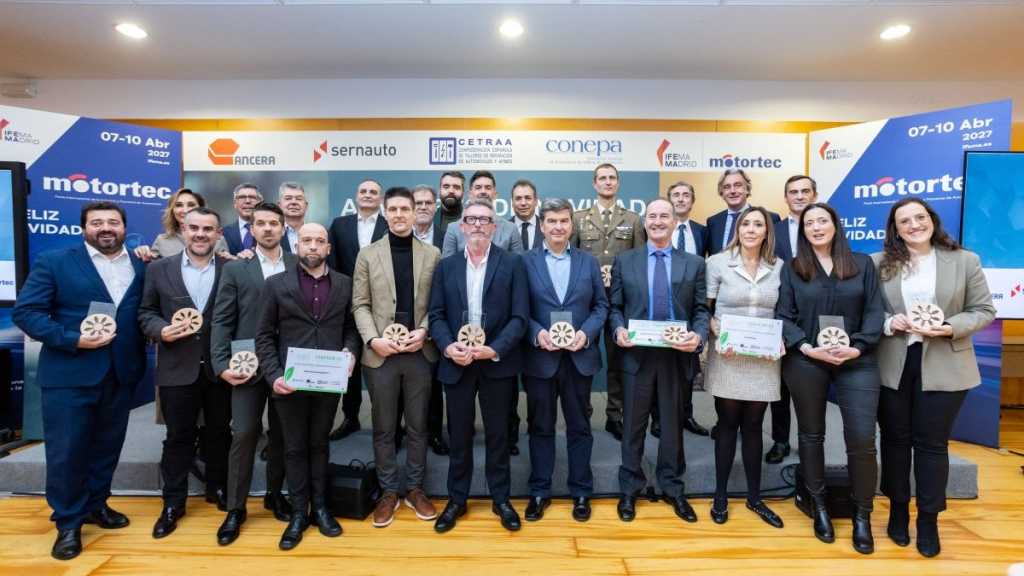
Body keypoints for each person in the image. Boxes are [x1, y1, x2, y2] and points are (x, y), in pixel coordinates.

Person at [12, 201, 147, 561]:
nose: (106, 228)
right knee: (67, 452)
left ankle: (96, 504)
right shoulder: (55, 261)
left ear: (124, 227)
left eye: (113, 222)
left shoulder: (140, 264)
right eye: (97, 222)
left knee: (106, 447)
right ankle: (68, 523)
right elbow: (26, 312)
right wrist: (73, 339)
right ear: (83, 228)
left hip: (120, 371)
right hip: (69, 373)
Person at [872, 198, 995, 558]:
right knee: (894, 440)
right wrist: (888, 321)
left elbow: (983, 309)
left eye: (920, 217)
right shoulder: (878, 263)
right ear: (895, 229)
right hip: (893, 362)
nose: (914, 225)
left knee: (931, 444)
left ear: (932, 220)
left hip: (945, 362)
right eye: (904, 221)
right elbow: (867, 310)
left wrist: (949, 326)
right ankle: (897, 512)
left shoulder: (964, 260)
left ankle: (928, 520)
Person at [775, 202, 884, 554]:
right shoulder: (794, 268)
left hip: (857, 360)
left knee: (862, 439)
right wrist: (807, 348)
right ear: (803, 230)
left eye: (823, 221)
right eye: (809, 223)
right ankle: (819, 505)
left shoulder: (862, 263)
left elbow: (875, 312)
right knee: (810, 435)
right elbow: (784, 315)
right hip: (807, 359)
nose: (816, 227)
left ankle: (862, 514)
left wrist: (857, 347)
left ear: (836, 225)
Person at [255, 223, 361, 550]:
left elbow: (351, 329)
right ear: (297, 246)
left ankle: (322, 509)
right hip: (289, 383)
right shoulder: (276, 284)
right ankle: (299, 513)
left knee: (319, 443)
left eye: (319, 241)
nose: (313, 246)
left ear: (328, 248)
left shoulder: (344, 284)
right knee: (294, 447)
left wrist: (351, 352)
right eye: (307, 240)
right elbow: (264, 336)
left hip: (328, 380)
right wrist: (274, 375)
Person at [428, 198, 528, 533]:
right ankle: (457, 499)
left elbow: (520, 317)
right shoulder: (446, 266)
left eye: (485, 220)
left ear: (494, 227)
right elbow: (436, 315)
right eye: (471, 219)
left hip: (496, 363)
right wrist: (447, 346)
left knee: (499, 435)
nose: (477, 225)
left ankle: (501, 499)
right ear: (462, 226)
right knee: (459, 435)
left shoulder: (512, 264)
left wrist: (495, 349)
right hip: (457, 363)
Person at [609, 198, 710, 523]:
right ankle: (629, 489)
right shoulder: (625, 260)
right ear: (645, 222)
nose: (657, 221)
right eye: (651, 216)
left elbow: (701, 311)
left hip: (675, 357)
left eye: (664, 216)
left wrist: (699, 337)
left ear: (674, 221)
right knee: (632, 427)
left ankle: (673, 488)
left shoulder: (694, 263)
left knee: (671, 428)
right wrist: (618, 330)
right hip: (636, 356)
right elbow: (614, 308)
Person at [138, 207, 231, 538]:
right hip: (177, 367)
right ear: (183, 230)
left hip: (221, 368)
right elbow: (146, 312)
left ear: (218, 234)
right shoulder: (159, 269)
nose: (200, 234)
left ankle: (218, 487)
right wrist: (160, 330)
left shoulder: (232, 268)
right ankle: (173, 502)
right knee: (178, 437)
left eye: (208, 228)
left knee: (219, 432)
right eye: (194, 228)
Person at [351, 187, 441, 528]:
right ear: (384, 213)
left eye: (406, 208)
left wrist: (425, 331)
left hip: (419, 352)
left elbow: (438, 303)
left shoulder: (432, 254)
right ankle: (388, 492)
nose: (400, 214)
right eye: (394, 209)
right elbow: (360, 304)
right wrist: (373, 339)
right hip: (381, 355)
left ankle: (415, 489)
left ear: (416, 212)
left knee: (418, 427)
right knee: (384, 428)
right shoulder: (367, 255)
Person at [210, 202, 296, 545]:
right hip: (246, 365)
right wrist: (220, 364)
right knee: (244, 433)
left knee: (282, 434)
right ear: (253, 229)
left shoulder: (297, 263)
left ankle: (275, 494)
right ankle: (236, 507)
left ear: (283, 228)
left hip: (287, 365)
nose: (268, 228)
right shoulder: (236, 269)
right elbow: (221, 320)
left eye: (274, 223)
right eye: (261, 223)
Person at [521, 198, 608, 522]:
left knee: (580, 427)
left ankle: (581, 491)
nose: (558, 226)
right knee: (540, 428)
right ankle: (539, 491)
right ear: (541, 225)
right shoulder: (524, 262)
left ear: (572, 224)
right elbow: (518, 309)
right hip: (539, 359)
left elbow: (601, 306)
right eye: (552, 221)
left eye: (564, 221)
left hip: (578, 358)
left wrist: (586, 333)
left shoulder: (588, 261)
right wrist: (536, 333)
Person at [703, 206, 784, 528]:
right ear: (737, 229)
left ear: (767, 231)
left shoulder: (779, 267)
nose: (751, 229)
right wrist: (716, 330)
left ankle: (754, 497)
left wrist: (781, 340)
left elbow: (785, 311)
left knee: (753, 425)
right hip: (728, 355)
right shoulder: (717, 262)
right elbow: (703, 308)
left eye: (757, 224)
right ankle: (720, 495)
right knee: (727, 423)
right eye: (745, 224)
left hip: (764, 358)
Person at [570, 163, 645, 441]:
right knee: (582, 358)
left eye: (612, 178)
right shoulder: (578, 219)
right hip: (587, 302)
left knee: (617, 359)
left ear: (618, 182)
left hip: (618, 301)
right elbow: (572, 258)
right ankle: (583, 413)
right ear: (594, 184)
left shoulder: (633, 220)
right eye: (602, 178)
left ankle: (615, 415)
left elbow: (638, 262)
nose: (607, 182)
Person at [327, 178, 388, 441]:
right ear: (356, 196)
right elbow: (332, 263)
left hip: (382, 306)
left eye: (373, 192)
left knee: (381, 365)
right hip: (346, 304)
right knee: (348, 361)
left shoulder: (389, 225)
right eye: (363, 191)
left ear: (380, 198)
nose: (367, 195)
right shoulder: (339, 225)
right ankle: (350, 417)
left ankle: (385, 422)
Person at [766, 175, 818, 465]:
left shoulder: (826, 227)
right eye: (793, 192)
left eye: (805, 191)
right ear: (785, 197)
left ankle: (812, 440)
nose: (799, 196)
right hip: (780, 312)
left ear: (814, 195)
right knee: (781, 384)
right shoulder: (772, 231)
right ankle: (781, 440)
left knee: (813, 385)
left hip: (817, 314)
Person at [661, 181, 711, 437]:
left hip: (689, 307)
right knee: (659, 367)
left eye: (686, 195)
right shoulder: (656, 229)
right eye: (676, 195)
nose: (681, 199)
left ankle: (686, 414)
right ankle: (659, 418)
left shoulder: (703, 231)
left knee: (686, 366)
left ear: (692, 201)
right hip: (661, 305)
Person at [411, 184, 450, 455]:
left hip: (437, 319)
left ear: (435, 208)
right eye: (418, 203)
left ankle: (434, 433)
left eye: (428, 203)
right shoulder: (390, 237)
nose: (423, 207)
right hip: (400, 321)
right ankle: (401, 431)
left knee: (433, 383)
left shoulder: (448, 237)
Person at [507, 178, 544, 456]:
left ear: (535, 200)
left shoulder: (550, 226)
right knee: (507, 381)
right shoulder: (501, 227)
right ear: (512, 202)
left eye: (527, 197)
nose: (523, 202)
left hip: (541, 316)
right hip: (509, 315)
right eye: (518, 198)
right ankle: (510, 431)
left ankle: (537, 428)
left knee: (536, 379)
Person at [441, 170, 525, 257]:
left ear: (495, 194)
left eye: (488, 188)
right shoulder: (453, 229)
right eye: (478, 188)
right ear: (470, 194)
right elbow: (447, 264)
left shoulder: (511, 229)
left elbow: (518, 263)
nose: (483, 191)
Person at [133, 188, 229, 260]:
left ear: (201, 208)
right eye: (179, 205)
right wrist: (142, 253)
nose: (185, 210)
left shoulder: (217, 239)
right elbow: (153, 269)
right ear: (172, 210)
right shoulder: (162, 240)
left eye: (191, 205)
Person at [705, 169, 780, 256]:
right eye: (727, 187)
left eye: (738, 185)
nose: (732, 191)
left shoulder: (771, 218)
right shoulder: (713, 222)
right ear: (722, 193)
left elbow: (774, 253)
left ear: (747, 189)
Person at [222, 183, 264, 256]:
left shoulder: (270, 230)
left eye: (252, 197)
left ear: (259, 202)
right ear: (235, 203)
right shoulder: (224, 233)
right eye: (242, 197)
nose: (247, 201)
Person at [277, 181, 309, 253]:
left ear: (306, 205)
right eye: (288, 198)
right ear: (279, 205)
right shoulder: (271, 234)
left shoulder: (320, 234)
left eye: (299, 198)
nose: (294, 202)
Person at [434, 171, 466, 239]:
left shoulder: (471, 218)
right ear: (439, 191)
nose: (451, 191)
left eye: (456, 187)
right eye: (446, 187)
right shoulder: (431, 217)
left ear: (463, 193)